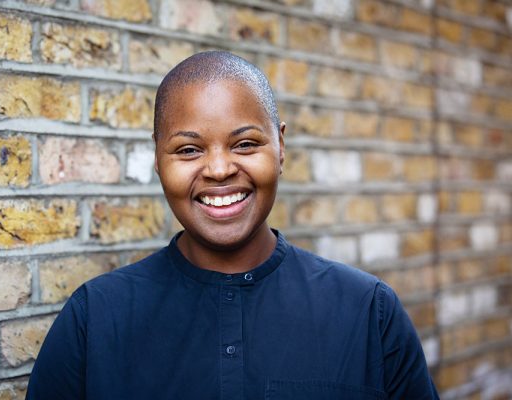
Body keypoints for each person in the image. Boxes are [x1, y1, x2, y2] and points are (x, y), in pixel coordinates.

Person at [26, 51, 439, 399]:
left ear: (280, 147)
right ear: (158, 161)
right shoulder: (95, 319)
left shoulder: (369, 313)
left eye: (245, 144)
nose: (220, 169)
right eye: (188, 149)